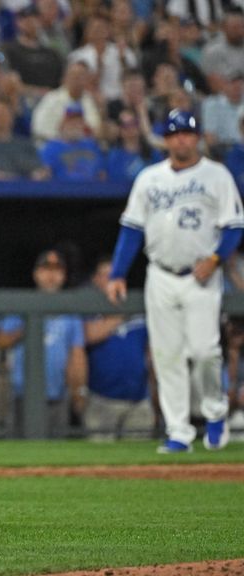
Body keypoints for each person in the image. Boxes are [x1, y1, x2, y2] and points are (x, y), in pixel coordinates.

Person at [105, 109, 244, 453]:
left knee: (204, 352)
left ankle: (214, 411)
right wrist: (118, 273)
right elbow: (132, 229)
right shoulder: (149, 178)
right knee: (167, 356)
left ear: (196, 137)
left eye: (186, 132)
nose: (180, 138)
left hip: (200, 275)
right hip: (161, 274)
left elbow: (234, 226)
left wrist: (215, 259)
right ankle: (179, 431)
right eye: (174, 133)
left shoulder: (217, 176)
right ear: (166, 139)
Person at [0, 249, 87, 438]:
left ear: (64, 275)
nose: (51, 275)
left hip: (58, 395)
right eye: (46, 269)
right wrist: (29, 326)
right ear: (36, 274)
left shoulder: (70, 312)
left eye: (57, 269)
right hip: (23, 395)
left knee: (57, 451)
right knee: (19, 449)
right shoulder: (22, 307)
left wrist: (79, 390)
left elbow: (77, 356)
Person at [83, 257, 156, 441]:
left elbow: (150, 354)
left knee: (138, 462)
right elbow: (88, 335)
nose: (110, 279)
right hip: (101, 399)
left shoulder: (140, 311)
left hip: (138, 400)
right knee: (98, 460)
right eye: (105, 275)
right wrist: (120, 315)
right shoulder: (88, 309)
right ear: (95, 280)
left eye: (115, 274)